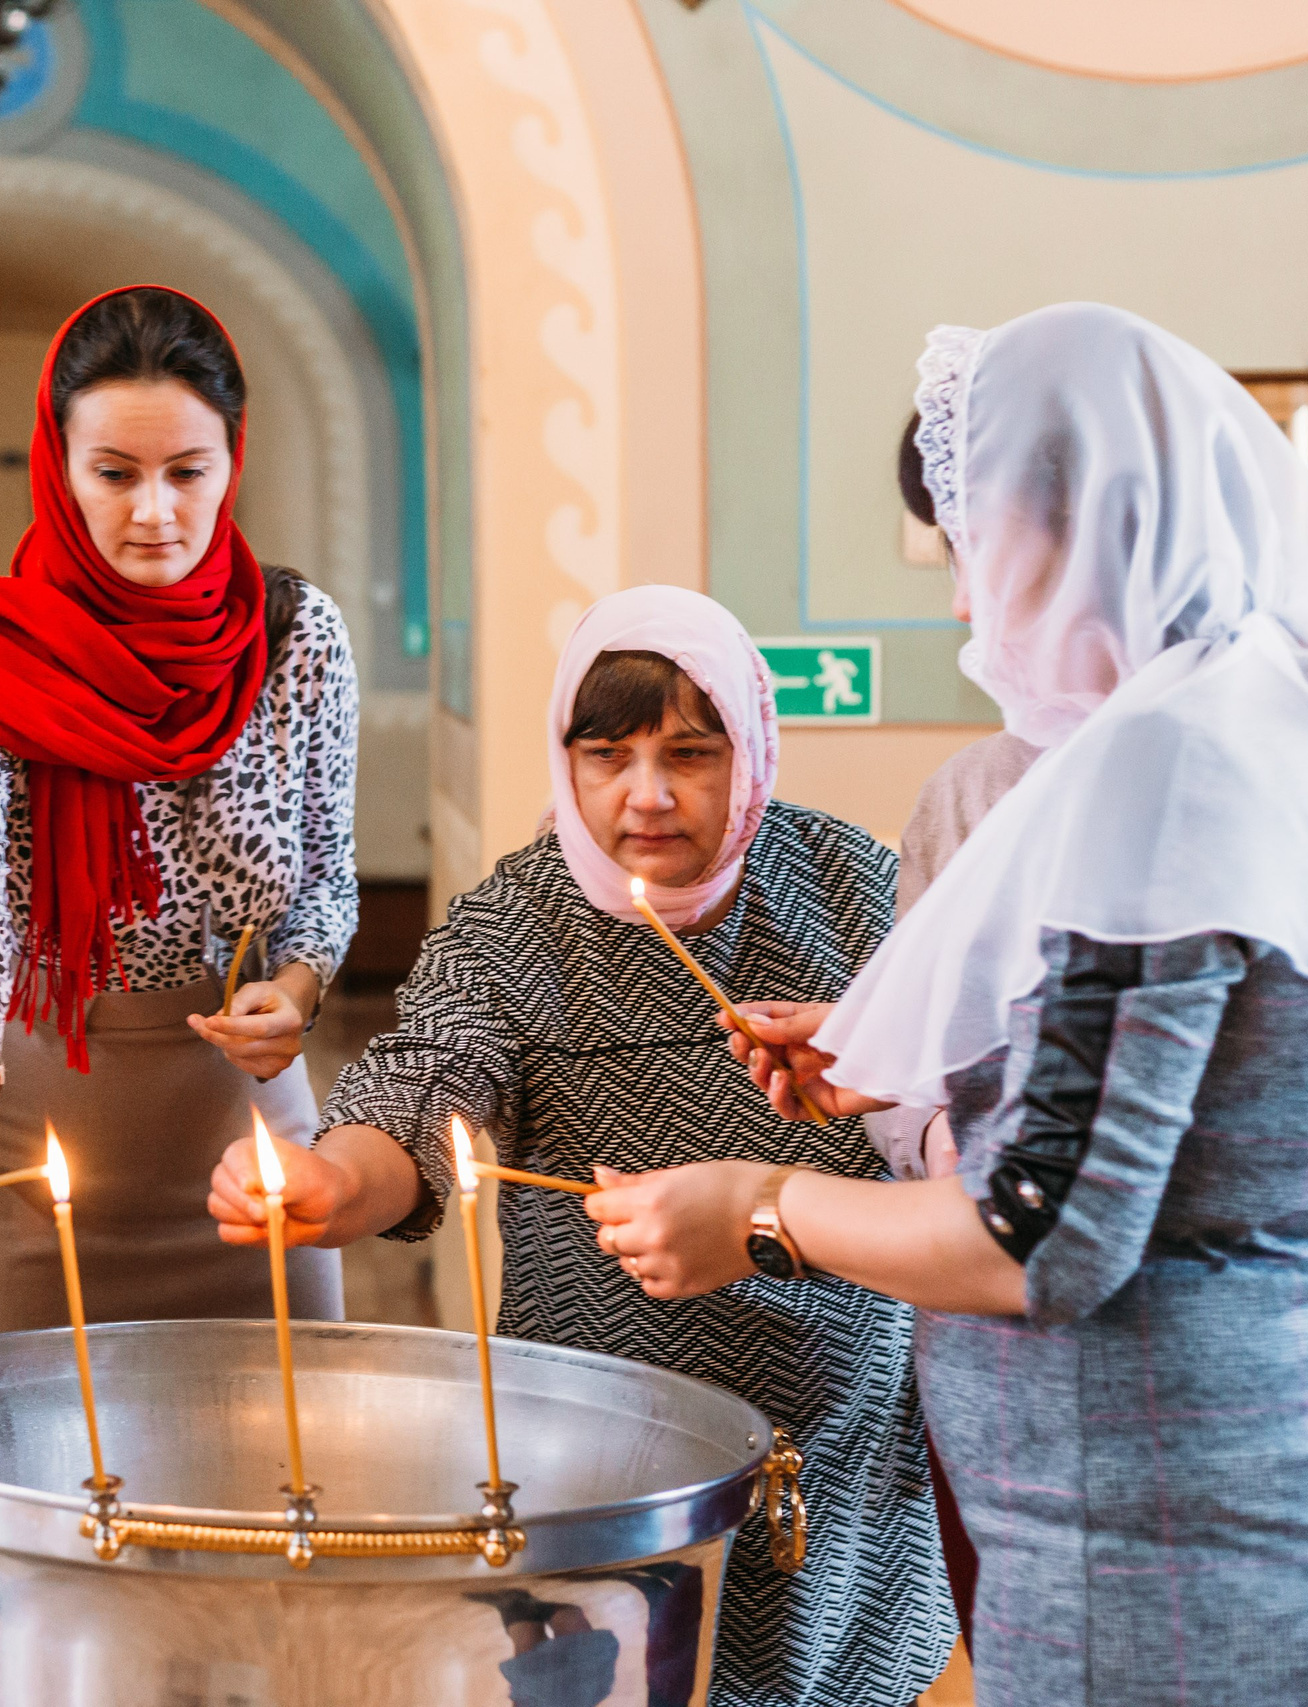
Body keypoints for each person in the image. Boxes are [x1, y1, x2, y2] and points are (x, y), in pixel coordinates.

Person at [593, 304, 1308, 1705]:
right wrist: (966, 1082)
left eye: (979, 547)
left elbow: (1039, 1237)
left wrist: (757, 1206)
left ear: (1090, 521)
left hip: (1154, 1530)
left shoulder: (1160, 768)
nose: (969, 603)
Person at [210, 586, 957, 1707]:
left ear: (751, 751)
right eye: (605, 755)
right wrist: (333, 1179)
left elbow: (962, 1135)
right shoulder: (518, 916)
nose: (644, 797)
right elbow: (427, 1084)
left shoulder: (861, 891)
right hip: (600, 1472)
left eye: (690, 755)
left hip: (843, 1484)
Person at [0, 285, 358, 1348]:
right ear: (57, 469)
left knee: (275, 1491)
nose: (153, 511)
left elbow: (327, 879)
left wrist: (294, 989)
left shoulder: (297, 634)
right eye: (114, 474)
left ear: (231, 462)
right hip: (20, 1145)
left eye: (186, 473)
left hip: (242, 1156)